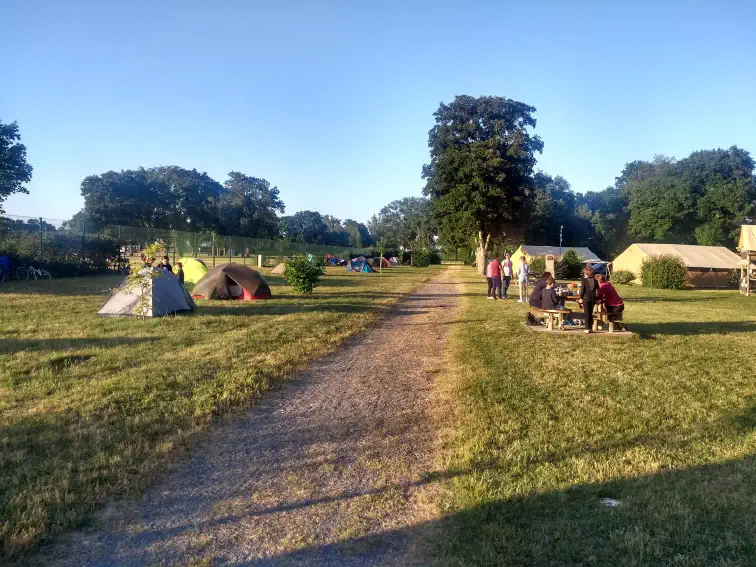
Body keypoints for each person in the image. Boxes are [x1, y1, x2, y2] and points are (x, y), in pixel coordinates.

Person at [580, 266, 599, 334]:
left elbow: (582, 290)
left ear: (586, 273)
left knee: (586, 313)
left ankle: (587, 328)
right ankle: (590, 328)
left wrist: (580, 297)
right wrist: (597, 298)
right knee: (590, 313)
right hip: (593, 298)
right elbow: (598, 290)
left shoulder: (584, 280)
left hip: (586, 298)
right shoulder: (595, 280)